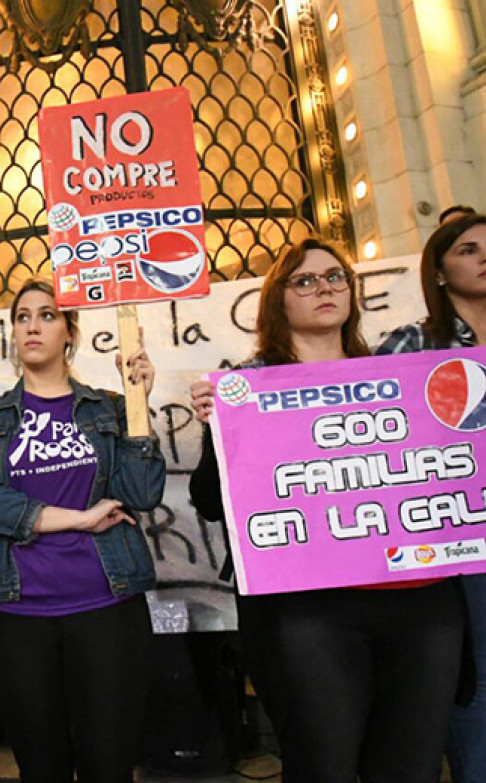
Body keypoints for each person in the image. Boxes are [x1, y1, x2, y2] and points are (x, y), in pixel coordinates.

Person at [189, 237, 466, 782]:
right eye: (307, 280)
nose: (326, 289)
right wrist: (219, 433)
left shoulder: (402, 378)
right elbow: (209, 504)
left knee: (411, 768)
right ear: (278, 301)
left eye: (337, 277)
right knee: (324, 765)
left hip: (422, 602)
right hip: (312, 612)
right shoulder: (247, 390)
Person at [0, 277, 165, 782]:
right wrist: (79, 517)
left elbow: (140, 495)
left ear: (69, 331)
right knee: (41, 767)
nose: (33, 326)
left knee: (109, 765)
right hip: (17, 614)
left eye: (48, 315)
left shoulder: (108, 408)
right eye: (23, 316)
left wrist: (139, 409)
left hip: (107, 607)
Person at [376, 213, 486, 783]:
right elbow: (370, 424)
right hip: (472, 537)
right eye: (469, 249)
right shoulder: (416, 340)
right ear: (441, 270)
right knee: (475, 688)